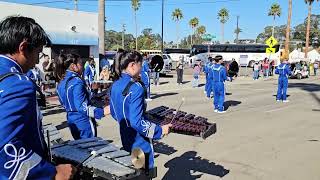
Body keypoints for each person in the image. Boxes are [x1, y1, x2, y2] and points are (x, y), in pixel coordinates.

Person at [0, 16, 75, 179]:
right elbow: (4, 147)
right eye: (38, 53)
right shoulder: (18, 84)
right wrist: (50, 173)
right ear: (23, 47)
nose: (36, 61)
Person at [109, 51, 172, 178]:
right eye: (141, 64)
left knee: (133, 172)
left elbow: (114, 113)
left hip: (125, 136)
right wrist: (160, 130)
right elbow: (136, 122)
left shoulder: (115, 85)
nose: (142, 67)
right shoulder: (136, 87)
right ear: (132, 65)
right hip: (139, 140)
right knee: (144, 174)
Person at [56, 53, 110, 140]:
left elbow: (65, 103)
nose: (83, 67)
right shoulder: (77, 82)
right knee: (91, 149)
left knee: (81, 148)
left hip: (71, 120)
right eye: (81, 64)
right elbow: (82, 107)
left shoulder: (61, 82)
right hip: (83, 121)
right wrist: (103, 111)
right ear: (74, 66)